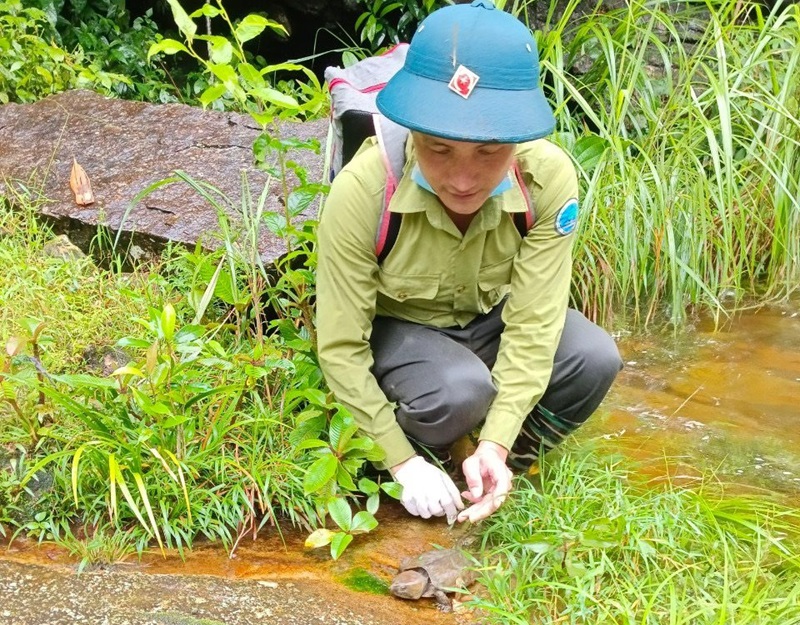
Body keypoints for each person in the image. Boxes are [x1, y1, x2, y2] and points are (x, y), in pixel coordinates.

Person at [316, 0, 622, 524]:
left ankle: (496, 470)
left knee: (594, 356)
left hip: (486, 318)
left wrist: (499, 445)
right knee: (461, 390)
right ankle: (427, 457)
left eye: (488, 152)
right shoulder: (363, 192)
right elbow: (341, 347)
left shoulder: (548, 181)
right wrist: (401, 461)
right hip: (399, 331)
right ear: (412, 131)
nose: (463, 179)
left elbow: (534, 323)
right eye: (439, 150)